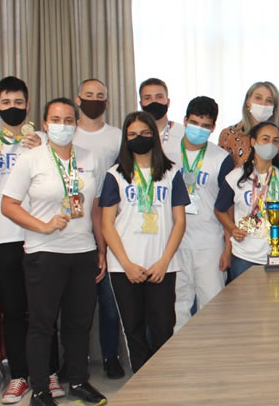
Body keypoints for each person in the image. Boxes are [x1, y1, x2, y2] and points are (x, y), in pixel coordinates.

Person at [1, 97, 107, 406]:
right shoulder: (31, 159)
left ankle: (78, 381)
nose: (63, 125)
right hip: (44, 253)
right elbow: (8, 204)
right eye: (56, 120)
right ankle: (41, 391)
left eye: (69, 120)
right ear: (46, 125)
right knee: (42, 325)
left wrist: (101, 249)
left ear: (76, 124)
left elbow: (95, 209)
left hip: (83, 251)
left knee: (79, 323)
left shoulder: (90, 158)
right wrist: (43, 226)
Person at [0, 77, 58, 404]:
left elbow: (61, 181)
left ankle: (49, 373)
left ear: (28, 105)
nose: (13, 108)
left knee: (44, 308)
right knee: (12, 309)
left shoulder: (42, 140)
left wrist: (43, 154)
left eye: (18, 102)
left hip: (40, 234)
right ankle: (19, 375)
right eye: (6, 103)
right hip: (4, 236)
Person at [100, 111, 188, 373]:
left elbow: (180, 222)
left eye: (145, 133)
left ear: (154, 136)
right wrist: (126, 264)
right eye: (133, 135)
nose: (139, 139)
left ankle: (162, 382)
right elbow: (107, 224)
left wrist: (164, 261)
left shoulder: (172, 173)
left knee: (163, 328)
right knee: (134, 330)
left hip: (163, 265)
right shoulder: (115, 175)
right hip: (125, 267)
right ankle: (142, 384)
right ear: (125, 139)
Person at [164, 96, 233, 331]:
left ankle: (212, 352)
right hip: (174, 242)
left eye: (205, 126)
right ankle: (179, 353)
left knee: (213, 306)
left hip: (210, 243)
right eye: (194, 123)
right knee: (177, 306)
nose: (199, 129)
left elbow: (228, 207)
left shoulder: (221, 159)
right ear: (184, 121)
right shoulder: (165, 153)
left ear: (213, 128)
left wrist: (228, 247)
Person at [71, 78, 125, 379]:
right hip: (73, 223)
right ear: (78, 100)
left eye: (99, 96)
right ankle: (72, 361)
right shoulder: (67, 133)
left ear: (106, 102)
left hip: (110, 221)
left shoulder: (117, 136)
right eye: (88, 95)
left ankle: (110, 356)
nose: (94, 100)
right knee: (74, 300)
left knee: (109, 298)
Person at [215, 122, 279, 280]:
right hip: (246, 256)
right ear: (253, 142)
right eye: (265, 139)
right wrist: (233, 229)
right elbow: (220, 209)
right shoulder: (235, 177)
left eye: (275, 141)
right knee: (247, 297)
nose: (270, 144)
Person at [218, 81, 279, 167]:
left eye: (269, 100)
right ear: (248, 102)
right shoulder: (229, 134)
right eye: (258, 98)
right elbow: (221, 169)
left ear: (274, 106)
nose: (263, 104)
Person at [139, 77, 184, 152]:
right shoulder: (135, 135)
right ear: (141, 104)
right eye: (147, 98)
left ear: (168, 102)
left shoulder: (183, 133)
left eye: (159, 97)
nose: (154, 101)